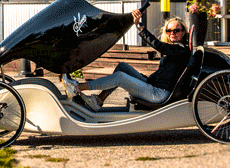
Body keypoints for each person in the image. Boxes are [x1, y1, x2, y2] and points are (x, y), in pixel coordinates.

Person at [61, 10, 191, 110]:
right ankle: (98, 101)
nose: (172, 33)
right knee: (122, 67)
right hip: (154, 86)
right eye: (169, 31)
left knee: (120, 77)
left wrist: (140, 27)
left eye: (177, 30)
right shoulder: (173, 49)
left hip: (159, 94)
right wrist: (145, 79)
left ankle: (77, 88)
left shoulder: (181, 50)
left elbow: (158, 45)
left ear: (183, 32)